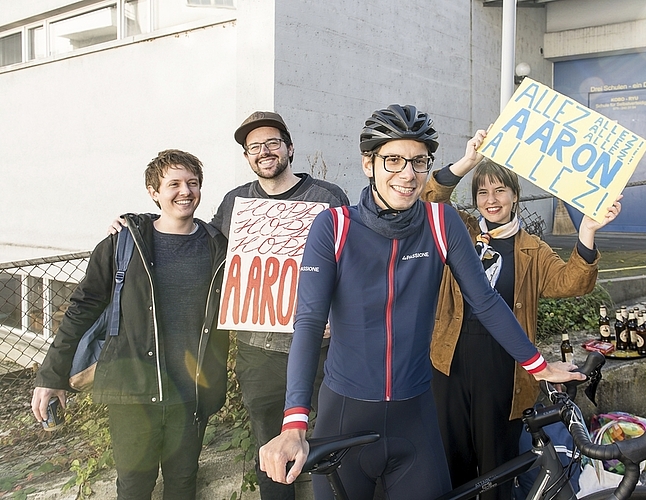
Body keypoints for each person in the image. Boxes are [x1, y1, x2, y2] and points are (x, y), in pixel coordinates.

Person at [258, 104, 585, 500]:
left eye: (418, 162)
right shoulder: (335, 226)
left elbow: (483, 299)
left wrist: (538, 365)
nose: (407, 174)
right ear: (368, 163)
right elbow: (308, 323)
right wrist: (294, 423)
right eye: (393, 160)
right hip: (344, 415)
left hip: (415, 417)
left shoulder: (440, 223)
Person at [109, 111, 350, 499]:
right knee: (269, 446)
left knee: (329, 440)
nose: (264, 151)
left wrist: (340, 319)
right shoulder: (236, 201)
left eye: (272, 142)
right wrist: (138, 223)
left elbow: (351, 264)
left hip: (320, 347)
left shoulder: (327, 197)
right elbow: (197, 239)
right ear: (247, 157)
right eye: (254, 147)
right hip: (258, 351)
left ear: (290, 148)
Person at [423, 132, 621, 499]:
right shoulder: (459, 229)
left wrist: (588, 231)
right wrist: (466, 162)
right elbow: (429, 198)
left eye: (500, 190)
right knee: (452, 456)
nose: (491, 200)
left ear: (515, 195)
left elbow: (571, 282)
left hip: (505, 365)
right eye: (483, 192)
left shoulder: (531, 248)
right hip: (449, 359)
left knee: (497, 462)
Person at [32, 149, 229, 500]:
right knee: (134, 488)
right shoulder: (123, 243)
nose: (185, 191)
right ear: (154, 192)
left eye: (192, 183)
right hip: (133, 393)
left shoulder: (218, 246)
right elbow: (82, 308)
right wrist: (52, 375)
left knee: (183, 485)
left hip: (190, 394)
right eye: (174, 184)